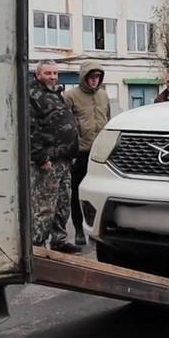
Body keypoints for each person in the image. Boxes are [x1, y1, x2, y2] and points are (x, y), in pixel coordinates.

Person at [29, 60, 81, 254]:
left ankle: (59, 240)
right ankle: (37, 246)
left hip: (64, 160)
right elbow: (30, 129)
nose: (52, 77)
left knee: (63, 203)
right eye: (48, 73)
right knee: (44, 206)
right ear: (38, 75)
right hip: (48, 161)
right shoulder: (33, 95)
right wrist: (41, 157)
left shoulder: (56, 94)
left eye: (54, 73)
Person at [65, 62, 111, 246]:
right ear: (84, 77)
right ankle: (78, 229)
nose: (94, 80)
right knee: (77, 193)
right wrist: (70, 151)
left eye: (98, 77)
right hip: (80, 153)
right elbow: (65, 126)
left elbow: (108, 120)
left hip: (99, 154)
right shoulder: (70, 96)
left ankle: (95, 228)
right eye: (91, 77)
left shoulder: (104, 95)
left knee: (98, 192)